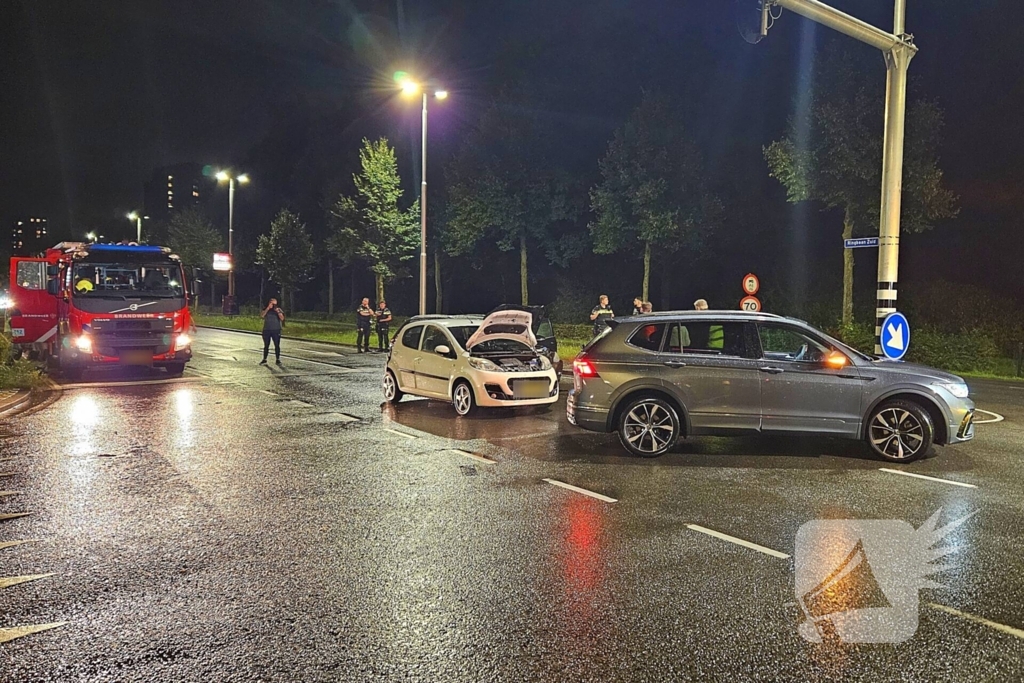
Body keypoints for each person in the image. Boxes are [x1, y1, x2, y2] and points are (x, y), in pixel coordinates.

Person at [260, 297, 284, 365]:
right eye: (272, 303)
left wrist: (278, 311)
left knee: (277, 345)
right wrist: (268, 308)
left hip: (276, 330)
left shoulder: (278, 309)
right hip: (267, 330)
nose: (273, 305)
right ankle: (264, 359)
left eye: (274, 304)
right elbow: (262, 315)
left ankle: (278, 359)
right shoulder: (265, 309)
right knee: (266, 345)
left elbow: (282, 318)